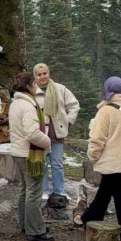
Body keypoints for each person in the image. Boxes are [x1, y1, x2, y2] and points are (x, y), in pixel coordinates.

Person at [73, 77, 121, 241]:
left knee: (118, 194)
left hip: (115, 162)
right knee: (110, 191)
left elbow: (96, 139)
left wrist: (93, 157)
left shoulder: (105, 111)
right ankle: (90, 219)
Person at [8, 72, 54, 241]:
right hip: (29, 155)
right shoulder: (28, 106)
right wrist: (47, 143)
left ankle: (25, 224)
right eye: (34, 84)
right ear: (28, 87)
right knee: (34, 192)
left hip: (19, 152)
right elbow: (32, 133)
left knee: (26, 190)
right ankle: (35, 231)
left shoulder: (16, 103)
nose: (36, 87)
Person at [33, 63, 80, 199]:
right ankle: (44, 191)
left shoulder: (60, 89)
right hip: (40, 132)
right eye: (39, 74)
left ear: (49, 73)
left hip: (57, 131)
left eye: (45, 73)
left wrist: (68, 121)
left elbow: (74, 105)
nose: (43, 77)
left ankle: (59, 190)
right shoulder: (33, 91)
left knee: (57, 163)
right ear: (35, 76)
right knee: (42, 162)